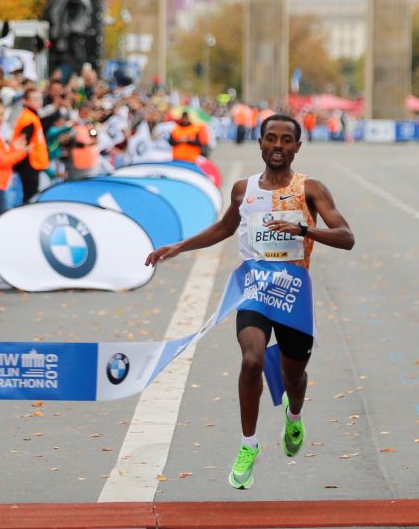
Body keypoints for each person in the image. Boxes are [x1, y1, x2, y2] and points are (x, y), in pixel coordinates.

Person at [145, 113, 354, 491]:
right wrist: (179, 246)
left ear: (297, 146)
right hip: (255, 286)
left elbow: (346, 236)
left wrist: (304, 229)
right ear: (259, 143)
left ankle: (294, 416)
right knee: (252, 359)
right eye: (270, 138)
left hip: (293, 292)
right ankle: (248, 445)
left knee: (294, 376)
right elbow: (225, 228)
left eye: (286, 140)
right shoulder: (243, 190)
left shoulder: (311, 190)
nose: (277, 145)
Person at [12, 87, 49, 201]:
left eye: (40, 99)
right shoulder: (28, 119)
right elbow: (22, 142)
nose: (39, 101)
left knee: (31, 194)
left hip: (33, 163)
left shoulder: (32, 116)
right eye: (35, 99)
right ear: (26, 101)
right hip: (29, 163)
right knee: (30, 196)